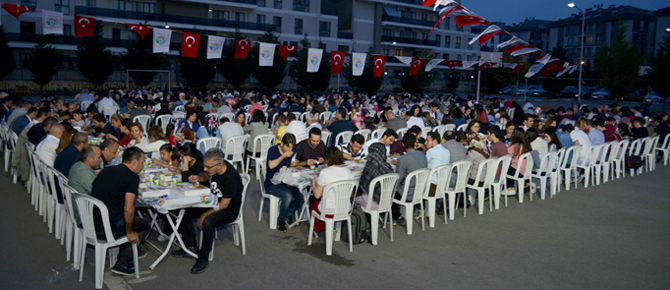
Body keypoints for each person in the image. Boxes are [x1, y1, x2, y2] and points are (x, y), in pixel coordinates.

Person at [172, 149, 243, 273]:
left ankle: (203, 257)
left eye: (207, 167)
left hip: (229, 210)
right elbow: (206, 175)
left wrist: (204, 215)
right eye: (204, 165)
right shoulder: (215, 167)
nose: (204, 169)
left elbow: (223, 205)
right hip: (213, 202)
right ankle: (190, 245)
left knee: (208, 221)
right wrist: (198, 177)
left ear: (218, 166)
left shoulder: (231, 177)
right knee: (184, 210)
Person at [90, 147, 150, 275]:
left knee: (125, 219)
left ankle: (130, 251)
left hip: (90, 221)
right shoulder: (132, 177)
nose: (143, 165)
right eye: (142, 162)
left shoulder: (106, 170)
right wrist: (130, 232)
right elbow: (128, 208)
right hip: (107, 228)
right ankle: (122, 263)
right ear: (134, 162)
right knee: (144, 224)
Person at [309, 148, 355, 232]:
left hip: (328, 210)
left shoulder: (325, 172)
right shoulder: (348, 172)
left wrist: (313, 184)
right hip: (345, 208)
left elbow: (317, 195)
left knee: (314, 203)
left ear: (328, 159)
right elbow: (350, 193)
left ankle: (316, 229)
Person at [265, 134, 302, 232]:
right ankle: (280, 220)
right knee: (288, 196)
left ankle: (288, 213)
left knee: (300, 197)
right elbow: (271, 165)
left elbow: (285, 167)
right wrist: (283, 156)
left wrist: (292, 164)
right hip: (271, 183)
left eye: (291, 147)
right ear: (282, 144)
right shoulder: (273, 150)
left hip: (284, 181)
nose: (289, 149)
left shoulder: (289, 153)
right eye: (288, 146)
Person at [356, 143, 395, 217]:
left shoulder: (370, 166)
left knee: (354, 198)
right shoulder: (388, 166)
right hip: (387, 201)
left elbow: (362, 183)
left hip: (372, 201)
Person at [68, 146, 102, 224]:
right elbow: (99, 193)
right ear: (89, 159)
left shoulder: (77, 165)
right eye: (99, 157)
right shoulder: (85, 174)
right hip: (85, 214)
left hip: (78, 207)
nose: (101, 160)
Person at [505, 128, 531, 195]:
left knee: (505, 168)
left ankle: (510, 187)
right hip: (526, 171)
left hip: (517, 171)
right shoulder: (527, 145)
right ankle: (525, 183)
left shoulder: (516, 146)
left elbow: (505, 152)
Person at [424, 131, 450, 197]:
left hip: (432, 185)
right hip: (443, 184)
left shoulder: (431, 151)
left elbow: (423, 166)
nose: (425, 143)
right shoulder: (447, 151)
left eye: (427, 140)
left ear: (434, 141)